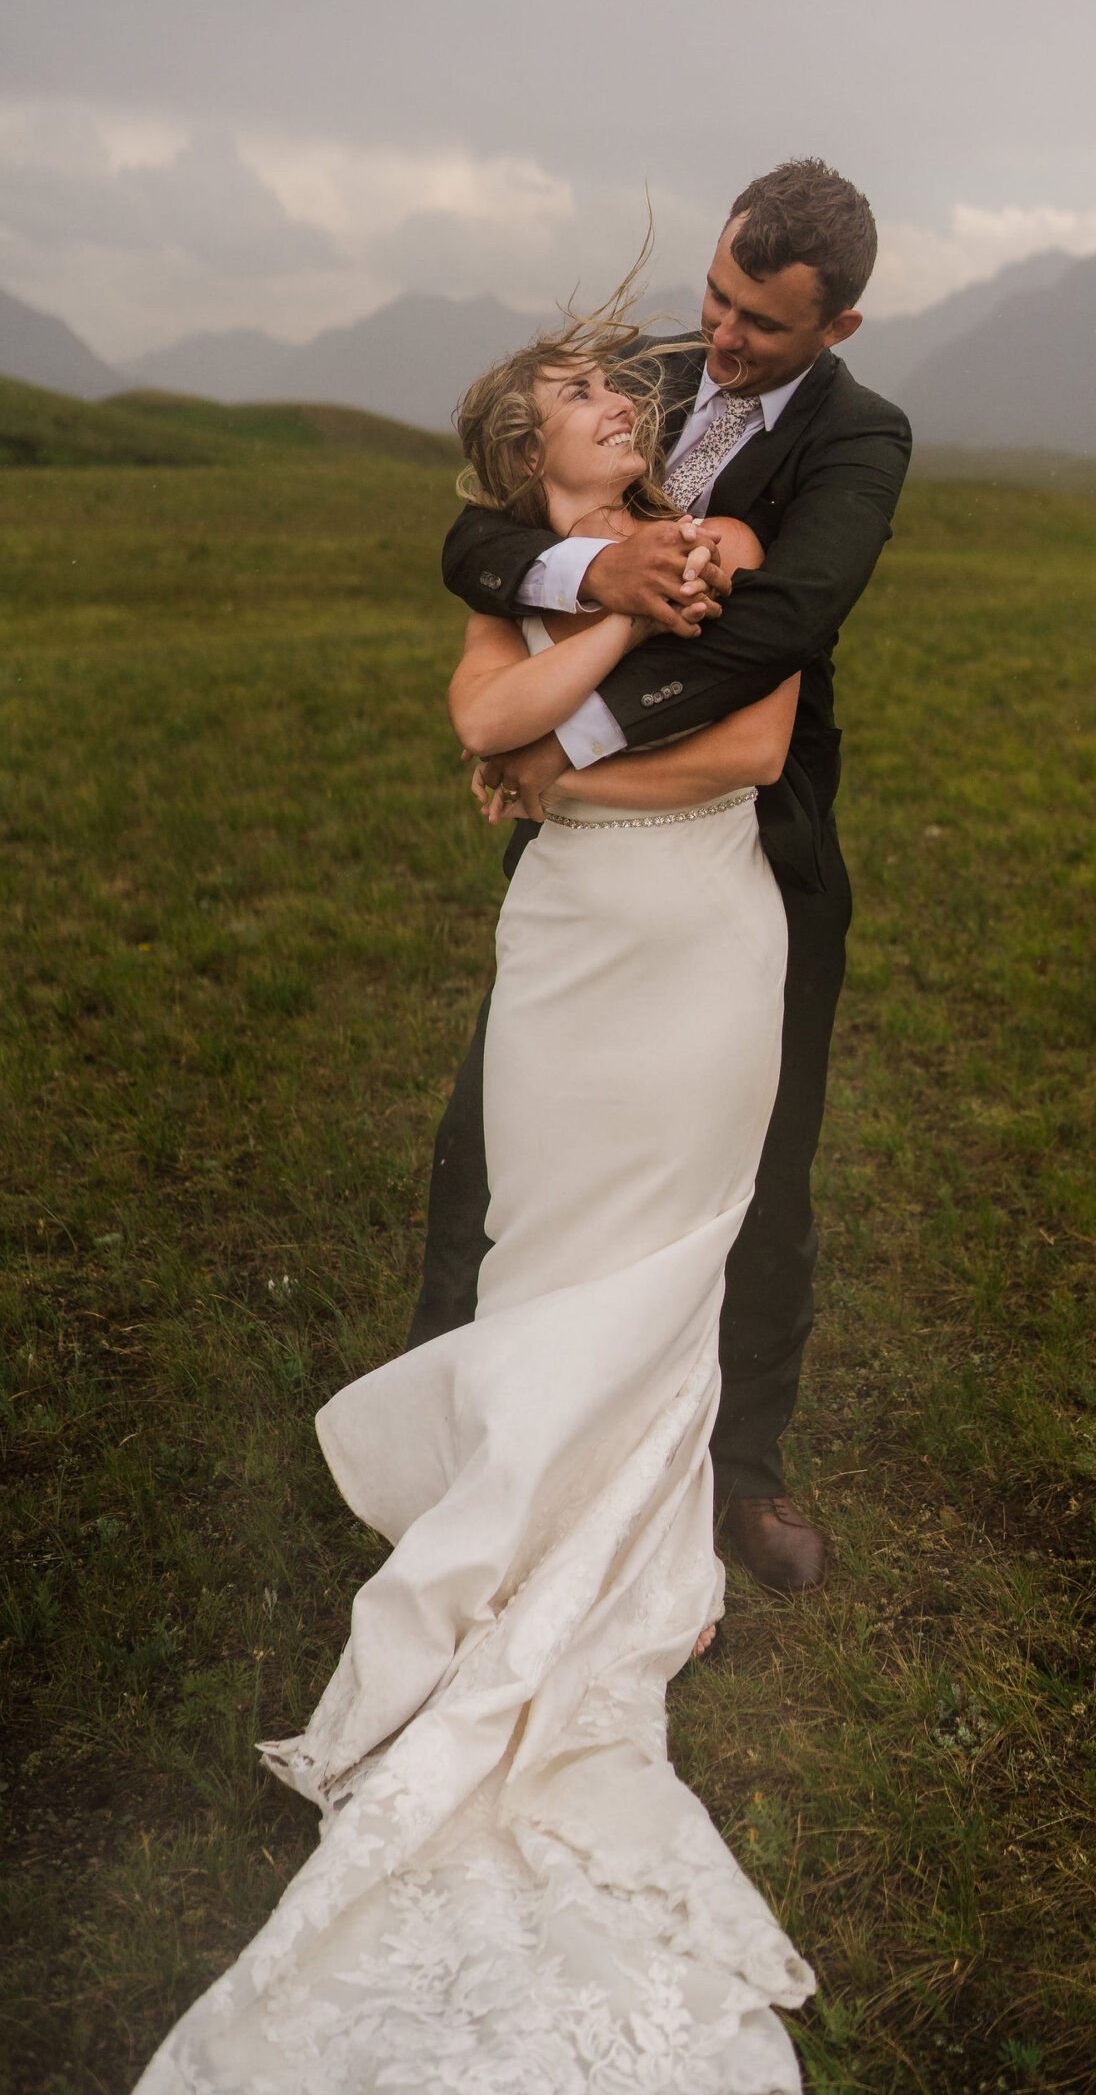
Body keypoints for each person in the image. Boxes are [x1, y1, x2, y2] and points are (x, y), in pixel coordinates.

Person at [138, 299, 817, 2091]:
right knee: (541, 1246)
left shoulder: (722, 543)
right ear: (531, 467)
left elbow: (746, 747)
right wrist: (591, 630)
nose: (613, 402)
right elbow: (481, 706)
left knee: (668, 1252)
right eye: (574, 398)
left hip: (696, 932)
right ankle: (521, 1529)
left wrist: (548, 770)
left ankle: (632, 1558)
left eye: (610, 386)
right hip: (567, 952)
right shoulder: (551, 571)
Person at [410, 159, 913, 1593]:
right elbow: (474, 530)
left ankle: (736, 1472)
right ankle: (466, 1429)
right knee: (494, 1145)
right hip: (584, 880)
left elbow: (792, 620)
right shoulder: (652, 380)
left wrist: (564, 744)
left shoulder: (862, 440)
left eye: (759, 321)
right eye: (716, 294)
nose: (720, 337)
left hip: (752, 855)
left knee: (763, 1164)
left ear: (840, 328)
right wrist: (594, 580)